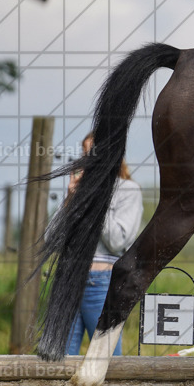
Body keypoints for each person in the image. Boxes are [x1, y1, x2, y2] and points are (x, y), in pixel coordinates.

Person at [64, 133, 143, 356]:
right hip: (69, 280)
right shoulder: (78, 193)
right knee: (59, 361)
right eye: (85, 154)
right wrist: (71, 198)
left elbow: (117, 241)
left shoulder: (128, 190)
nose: (87, 160)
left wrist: (96, 199)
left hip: (99, 283)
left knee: (104, 358)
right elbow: (52, 239)